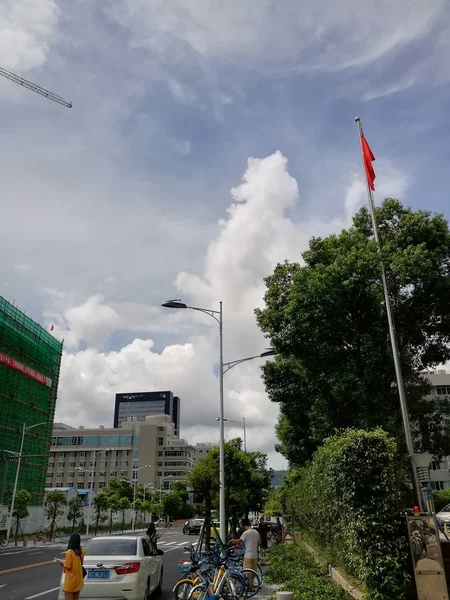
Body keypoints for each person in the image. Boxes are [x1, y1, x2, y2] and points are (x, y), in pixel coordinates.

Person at [230, 519, 260, 591]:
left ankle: (250, 587)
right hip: (255, 555)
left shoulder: (246, 533)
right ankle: (252, 585)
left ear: (244, 526)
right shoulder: (256, 532)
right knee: (253, 571)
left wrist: (231, 540)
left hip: (248, 555)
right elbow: (258, 543)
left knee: (249, 572)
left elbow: (239, 541)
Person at [58, 532, 85, 600]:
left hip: (71, 581)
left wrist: (62, 562)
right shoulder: (82, 550)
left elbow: (68, 566)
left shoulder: (69, 552)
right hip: (78, 580)